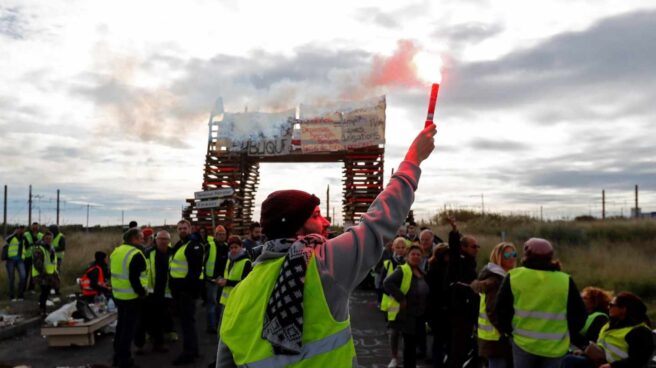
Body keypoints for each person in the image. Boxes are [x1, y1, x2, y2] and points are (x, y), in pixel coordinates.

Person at [216, 123, 436, 367]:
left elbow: (224, 362)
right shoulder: (320, 264)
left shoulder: (238, 294)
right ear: (297, 228)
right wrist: (413, 159)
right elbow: (378, 224)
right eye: (315, 215)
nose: (326, 221)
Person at [496, 238, 586, 368]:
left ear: (526, 255)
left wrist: (509, 332)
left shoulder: (514, 276)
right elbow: (579, 315)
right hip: (555, 347)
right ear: (550, 256)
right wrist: (566, 334)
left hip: (523, 344)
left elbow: (501, 310)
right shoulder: (565, 280)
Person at [561, 291, 654, 368]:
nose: (608, 307)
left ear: (624, 309)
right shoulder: (610, 325)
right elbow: (603, 347)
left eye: (612, 305)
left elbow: (638, 361)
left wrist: (612, 366)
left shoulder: (640, 332)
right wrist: (585, 353)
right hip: (599, 362)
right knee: (567, 357)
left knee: (570, 361)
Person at [470, 242, 517, 368]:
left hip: (495, 336)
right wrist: (507, 330)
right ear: (498, 257)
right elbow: (493, 310)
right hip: (496, 337)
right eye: (507, 254)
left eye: (514, 254)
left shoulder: (504, 277)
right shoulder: (496, 280)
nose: (512, 257)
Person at [384, 245, 430, 368]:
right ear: (407, 256)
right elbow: (387, 283)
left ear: (422, 257)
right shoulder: (403, 270)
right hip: (407, 314)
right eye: (413, 254)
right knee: (409, 345)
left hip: (419, 314)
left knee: (414, 344)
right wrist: (401, 297)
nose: (416, 256)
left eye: (418, 254)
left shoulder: (422, 272)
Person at [110, 228, 148, 368]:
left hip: (119, 295)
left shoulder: (116, 251)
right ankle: (125, 360)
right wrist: (142, 293)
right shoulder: (136, 254)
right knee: (128, 330)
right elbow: (134, 278)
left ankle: (117, 357)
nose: (143, 240)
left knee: (121, 327)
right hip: (132, 297)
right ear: (134, 239)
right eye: (141, 238)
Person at [446, 217, 480, 368]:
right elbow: (454, 248)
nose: (477, 249)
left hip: (470, 310)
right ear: (464, 248)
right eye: (474, 246)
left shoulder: (471, 261)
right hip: (459, 310)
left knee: (466, 345)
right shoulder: (457, 259)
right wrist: (454, 231)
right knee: (458, 346)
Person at [170, 219, 204, 365]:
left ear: (190, 229)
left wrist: (185, 290)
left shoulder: (193, 245)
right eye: (179, 228)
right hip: (181, 292)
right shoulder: (180, 245)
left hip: (186, 292)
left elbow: (195, 271)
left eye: (185, 228)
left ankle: (188, 354)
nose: (182, 230)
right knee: (188, 322)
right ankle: (193, 350)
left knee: (186, 324)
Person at [135, 230, 174, 354]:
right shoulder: (147, 253)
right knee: (143, 320)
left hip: (165, 293)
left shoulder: (173, 253)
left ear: (169, 241)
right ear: (155, 240)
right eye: (160, 239)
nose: (163, 241)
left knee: (159, 320)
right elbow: (142, 273)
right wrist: (142, 290)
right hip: (149, 293)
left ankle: (158, 344)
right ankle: (139, 346)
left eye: (165, 239)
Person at [379, 237, 407, 368]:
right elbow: (381, 285)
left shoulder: (409, 262)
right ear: (393, 248)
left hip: (407, 304)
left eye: (403, 247)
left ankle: (407, 357)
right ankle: (394, 358)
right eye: (398, 247)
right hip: (392, 304)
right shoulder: (388, 263)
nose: (401, 250)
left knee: (407, 332)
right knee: (394, 333)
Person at [216, 236, 252, 329]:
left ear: (241, 247)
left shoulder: (246, 262)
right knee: (222, 328)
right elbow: (228, 276)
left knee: (231, 328)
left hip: (237, 302)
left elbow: (246, 284)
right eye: (231, 248)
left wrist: (227, 282)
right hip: (226, 301)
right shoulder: (229, 260)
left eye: (236, 247)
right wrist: (221, 280)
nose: (233, 250)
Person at [426, 243, 450, 368]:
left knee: (440, 340)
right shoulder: (437, 270)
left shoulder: (438, 268)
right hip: (438, 311)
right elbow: (433, 293)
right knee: (439, 340)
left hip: (438, 310)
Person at [205, 225, 229, 333]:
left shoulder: (227, 246)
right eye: (219, 234)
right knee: (212, 303)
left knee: (220, 303)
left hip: (223, 280)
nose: (221, 236)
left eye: (223, 234)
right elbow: (203, 262)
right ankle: (211, 326)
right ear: (215, 235)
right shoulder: (209, 246)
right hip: (211, 280)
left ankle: (219, 324)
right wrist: (206, 277)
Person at [32, 231, 59, 315]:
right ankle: (42, 310)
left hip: (50, 274)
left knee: (46, 292)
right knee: (44, 292)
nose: (49, 240)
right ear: (43, 238)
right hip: (41, 275)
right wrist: (44, 273)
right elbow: (38, 263)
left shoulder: (51, 248)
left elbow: (53, 262)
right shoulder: (39, 248)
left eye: (50, 238)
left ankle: (43, 309)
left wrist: (55, 272)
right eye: (47, 238)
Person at [4, 225, 27, 301]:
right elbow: (6, 239)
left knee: (23, 277)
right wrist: (14, 233)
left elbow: (27, 245)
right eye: (20, 229)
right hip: (10, 260)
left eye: (22, 229)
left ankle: (20, 295)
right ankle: (12, 296)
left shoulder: (24, 238)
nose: (21, 230)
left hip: (20, 260)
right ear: (16, 229)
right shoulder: (11, 237)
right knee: (12, 278)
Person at [23, 222, 43, 292]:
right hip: (27, 256)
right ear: (31, 227)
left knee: (33, 274)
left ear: (38, 228)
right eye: (33, 227)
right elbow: (24, 244)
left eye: (36, 227)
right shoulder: (26, 234)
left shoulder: (41, 235)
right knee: (25, 274)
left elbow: (42, 245)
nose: (35, 228)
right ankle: (23, 288)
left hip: (36, 257)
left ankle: (31, 288)